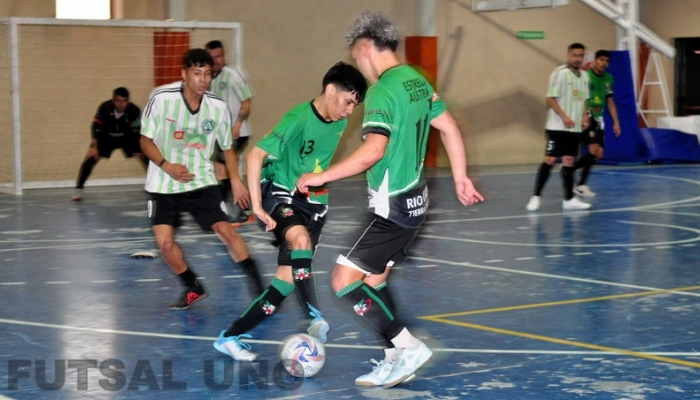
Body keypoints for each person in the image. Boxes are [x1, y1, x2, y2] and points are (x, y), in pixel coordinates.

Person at [296, 11, 483, 388]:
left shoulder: (382, 91)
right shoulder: (417, 80)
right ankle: (395, 356)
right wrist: (461, 176)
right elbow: (449, 127)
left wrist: (321, 176)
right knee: (375, 282)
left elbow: (373, 151)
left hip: (391, 207)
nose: (358, 63)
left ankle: (408, 346)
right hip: (417, 202)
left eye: (355, 55)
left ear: (365, 47)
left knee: (344, 281)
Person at [212, 62, 368, 361]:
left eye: (354, 105)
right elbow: (255, 156)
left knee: (283, 285)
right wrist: (257, 204)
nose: (350, 111)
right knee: (301, 241)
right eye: (348, 101)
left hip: (314, 204)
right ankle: (315, 316)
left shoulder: (339, 123)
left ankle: (229, 337)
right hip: (280, 193)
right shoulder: (297, 119)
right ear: (330, 90)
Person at [139, 48, 264, 310]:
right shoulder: (161, 99)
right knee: (164, 243)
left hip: (201, 181)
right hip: (164, 182)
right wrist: (166, 165)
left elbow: (227, 148)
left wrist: (235, 180)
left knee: (226, 231)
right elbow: (145, 141)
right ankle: (192, 287)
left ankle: (261, 292)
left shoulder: (217, 107)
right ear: (184, 74)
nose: (203, 79)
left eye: (207, 74)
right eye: (197, 73)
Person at [526, 43, 591, 211]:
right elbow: (550, 99)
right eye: (574, 55)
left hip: (574, 129)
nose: (577, 58)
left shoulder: (585, 76)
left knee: (569, 161)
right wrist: (564, 116)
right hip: (557, 127)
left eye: (580, 55)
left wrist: (585, 115)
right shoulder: (560, 74)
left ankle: (569, 200)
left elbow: (583, 99)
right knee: (550, 159)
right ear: (568, 55)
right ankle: (536, 197)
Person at [205, 40, 255, 225]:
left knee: (223, 168)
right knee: (221, 170)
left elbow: (246, 102)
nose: (216, 60)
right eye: (212, 57)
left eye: (219, 56)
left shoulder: (232, 76)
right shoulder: (209, 79)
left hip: (237, 132)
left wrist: (237, 125)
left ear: (224, 55)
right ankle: (235, 210)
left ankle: (237, 211)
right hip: (220, 134)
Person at [72, 87, 147, 201]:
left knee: (146, 157)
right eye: (118, 101)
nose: (120, 104)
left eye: (124, 101)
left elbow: (139, 130)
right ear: (113, 100)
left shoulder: (134, 110)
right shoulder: (105, 107)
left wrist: (143, 147)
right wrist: (94, 146)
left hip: (127, 136)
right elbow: (96, 126)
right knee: (91, 158)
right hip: (107, 136)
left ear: (128, 101)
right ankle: (78, 189)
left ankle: (154, 187)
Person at [572, 49, 622, 198]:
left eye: (607, 61)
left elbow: (610, 102)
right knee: (593, 149)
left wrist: (616, 122)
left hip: (599, 118)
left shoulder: (608, 79)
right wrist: (584, 115)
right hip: (587, 116)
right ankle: (569, 171)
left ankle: (578, 180)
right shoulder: (586, 76)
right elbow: (579, 97)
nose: (604, 63)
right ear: (595, 61)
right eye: (601, 60)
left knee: (598, 154)